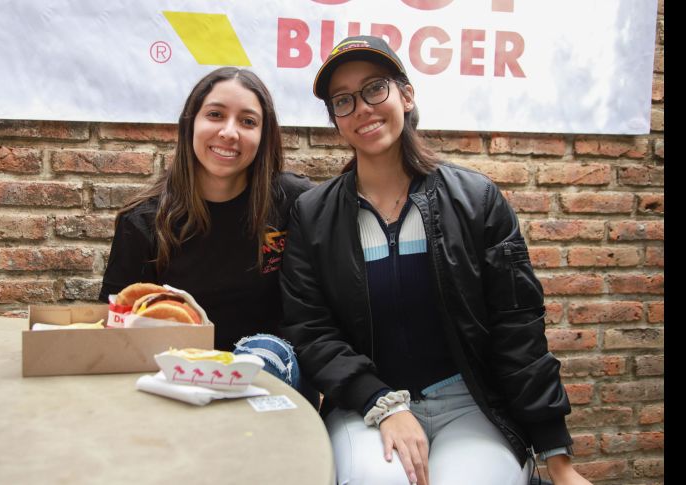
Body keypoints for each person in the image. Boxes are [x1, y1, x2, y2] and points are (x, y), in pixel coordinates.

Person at [279, 36, 593, 485]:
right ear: (336, 120)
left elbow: (518, 327)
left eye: (375, 89)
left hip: (468, 405)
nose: (362, 108)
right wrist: (382, 402)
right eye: (343, 100)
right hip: (364, 407)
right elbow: (311, 332)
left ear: (406, 95)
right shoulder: (313, 215)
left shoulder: (476, 200)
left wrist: (557, 458)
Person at [99, 67, 318, 406]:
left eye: (247, 121)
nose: (229, 132)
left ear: (264, 136)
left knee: (265, 350)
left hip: (274, 381)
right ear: (191, 123)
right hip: (180, 382)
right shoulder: (142, 221)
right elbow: (118, 327)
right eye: (215, 115)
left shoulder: (294, 202)